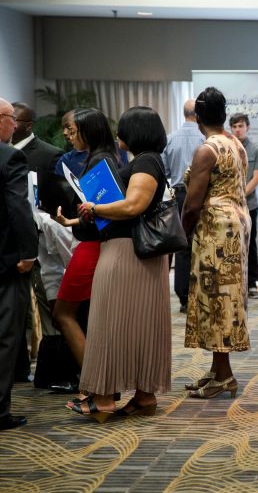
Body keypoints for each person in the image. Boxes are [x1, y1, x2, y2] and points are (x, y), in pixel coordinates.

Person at [66, 106, 172, 421]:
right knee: (138, 323)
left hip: (127, 252)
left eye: (122, 128)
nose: (117, 135)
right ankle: (144, 395)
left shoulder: (145, 162)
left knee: (109, 321)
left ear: (135, 132)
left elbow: (132, 206)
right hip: (135, 253)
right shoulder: (145, 161)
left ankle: (102, 398)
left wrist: (95, 208)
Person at [182, 87, 251, 399]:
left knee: (217, 298)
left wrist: (182, 235)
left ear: (198, 117)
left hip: (216, 229)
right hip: (236, 223)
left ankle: (224, 375)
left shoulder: (206, 150)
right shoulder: (235, 144)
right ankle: (216, 369)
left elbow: (193, 203)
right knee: (224, 296)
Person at [52, 108, 124, 391]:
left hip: (94, 247)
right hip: (95, 243)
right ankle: (100, 384)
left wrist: (83, 217)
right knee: (85, 317)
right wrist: (72, 219)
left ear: (89, 131)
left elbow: (109, 211)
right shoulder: (105, 157)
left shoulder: (100, 160)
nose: (69, 137)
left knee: (63, 314)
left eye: (73, 131)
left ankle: (96, 385)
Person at [0, 97, 38, 431]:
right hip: (5, 263)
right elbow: (18, 209)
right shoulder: (10, 157)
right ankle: (0, 411)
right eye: (12, 118)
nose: (15, 125)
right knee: (7, 337)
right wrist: (29, 253)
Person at [162, 99, 204, 313]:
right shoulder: (206, 139)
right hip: (203, 196)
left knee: (182, 247)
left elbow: (165, 171)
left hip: (179, 195)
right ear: (198, 114)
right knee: (204, 245)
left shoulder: (170, 139)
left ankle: (184, 298)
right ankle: (201, 295)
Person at [230, 113, 258, 300]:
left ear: (248, 127)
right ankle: (235, 282)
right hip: (229, 206)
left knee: (250, 245)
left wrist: (241, 194)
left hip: (249, 205)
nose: (238, 129)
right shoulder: (227, 148)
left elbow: (257, 177)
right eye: (234, 126)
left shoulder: (256, 150)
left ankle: (252, 284)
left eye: (241, 126)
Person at [11, 102, 64, 216]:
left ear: (29, 126)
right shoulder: (3, 151)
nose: (7, 123)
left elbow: (57, 201)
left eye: (13, 119)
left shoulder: (51, 155)